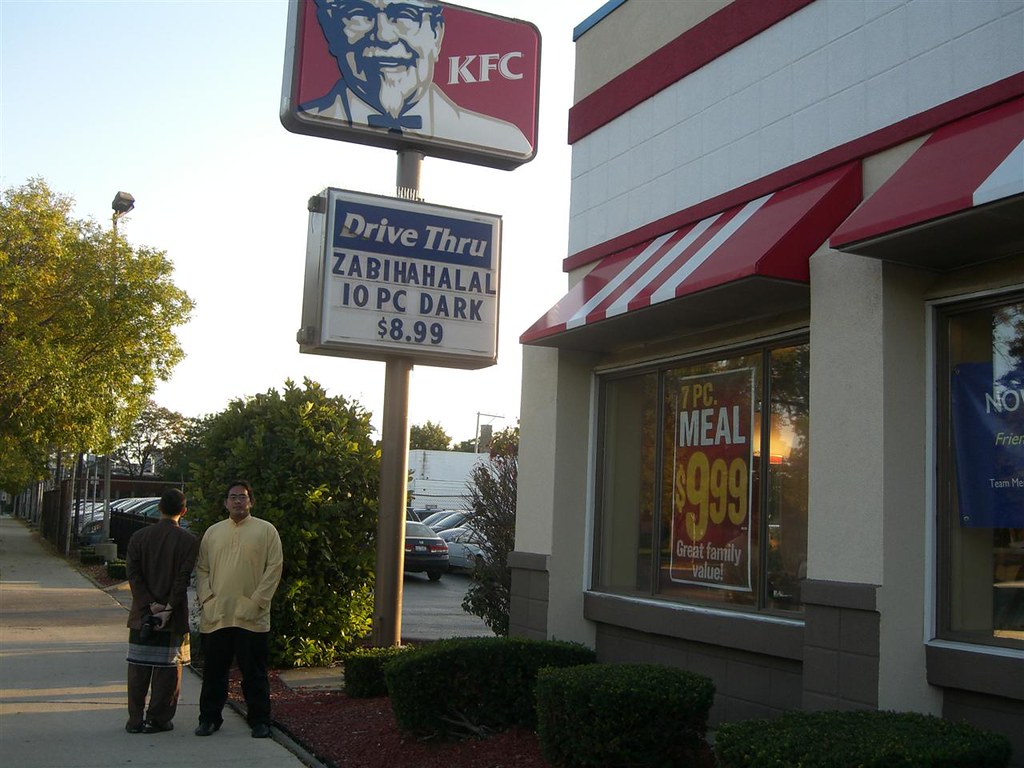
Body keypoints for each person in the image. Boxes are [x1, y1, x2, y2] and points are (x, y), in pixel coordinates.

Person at [302, 0, 531, 156]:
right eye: (358, 14)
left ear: (436, 35)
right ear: (331, 31)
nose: (384, 35)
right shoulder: (311, 114)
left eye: (404, 16)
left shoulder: (508, 138)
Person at [194, 480, 283, 739]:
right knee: (214, 672)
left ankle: (259, 721)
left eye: (242, 497)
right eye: (232, 497)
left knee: (254, 673)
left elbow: (274, 567)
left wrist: (257, 602)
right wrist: (207, 599)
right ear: (225, 502)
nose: (237, 501)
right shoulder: (213, 532)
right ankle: (209, 719)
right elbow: (202, 569)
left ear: (250, 501)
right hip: (217, 615)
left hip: (251, 616)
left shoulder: (266, 531)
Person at [124, 488, 199, 734]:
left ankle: (134, 720)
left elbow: (133, 575)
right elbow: (182, 579)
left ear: (159, 508)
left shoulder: (138, 537)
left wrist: (147, 605)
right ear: (184, 511)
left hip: (141, 615)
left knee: (138, 669)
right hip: (172, 615)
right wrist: (167, 608)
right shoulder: (188, 541)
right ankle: (158, 719)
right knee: (168, 671)